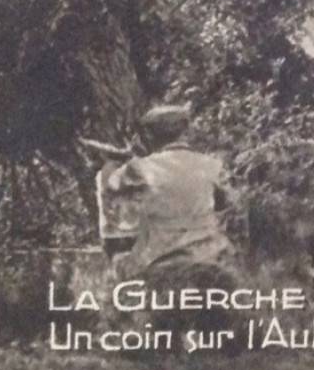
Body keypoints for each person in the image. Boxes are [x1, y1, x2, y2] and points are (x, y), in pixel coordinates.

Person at [102, 104, 240, 285]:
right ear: (184, 132)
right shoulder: (212, 165)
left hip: (157, 263)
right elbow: (232, 205)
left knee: (116, 265)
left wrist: (131, 159)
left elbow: (112, 186)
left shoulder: (139, 168)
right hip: (210, 260)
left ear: (149, 136)